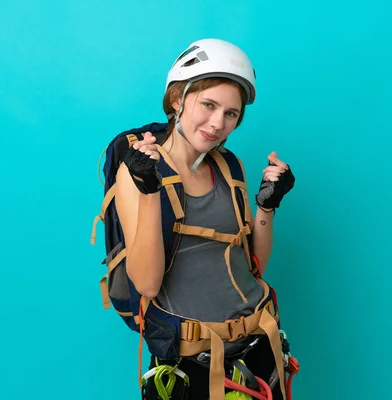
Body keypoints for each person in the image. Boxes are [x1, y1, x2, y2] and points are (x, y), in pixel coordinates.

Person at [115, 38, 295, 399]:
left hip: (259, 348)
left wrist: (266, 207)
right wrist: (149, 190)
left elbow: (255, 264)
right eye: (209, 105)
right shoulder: (138, 169)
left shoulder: (229, 167)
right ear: (178, 99)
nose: (218, 124)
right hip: (190, 364)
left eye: (231, 114)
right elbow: (147, 284)